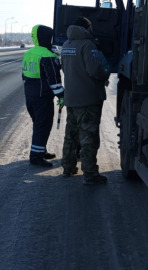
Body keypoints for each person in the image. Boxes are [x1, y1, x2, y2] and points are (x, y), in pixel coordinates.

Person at [60, 17, 110, 184]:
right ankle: (90, 173)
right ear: (86, 28)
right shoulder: (87, 45)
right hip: (88, 99)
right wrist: (105, 74)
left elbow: (65, 68)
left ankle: (68, 167)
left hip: (71, 97)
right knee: (88, 137)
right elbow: (94, 70)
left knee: (71, 134)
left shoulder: (66, 45)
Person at [22, 24, 65, 167]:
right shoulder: (48, 56)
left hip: (30, 96)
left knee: (39, 125)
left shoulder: (29, 53)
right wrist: (62, 96)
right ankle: (36, 157)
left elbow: (24, 76)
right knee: (43, 125)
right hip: (43, 98)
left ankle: (41, 150)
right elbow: (54, 82)